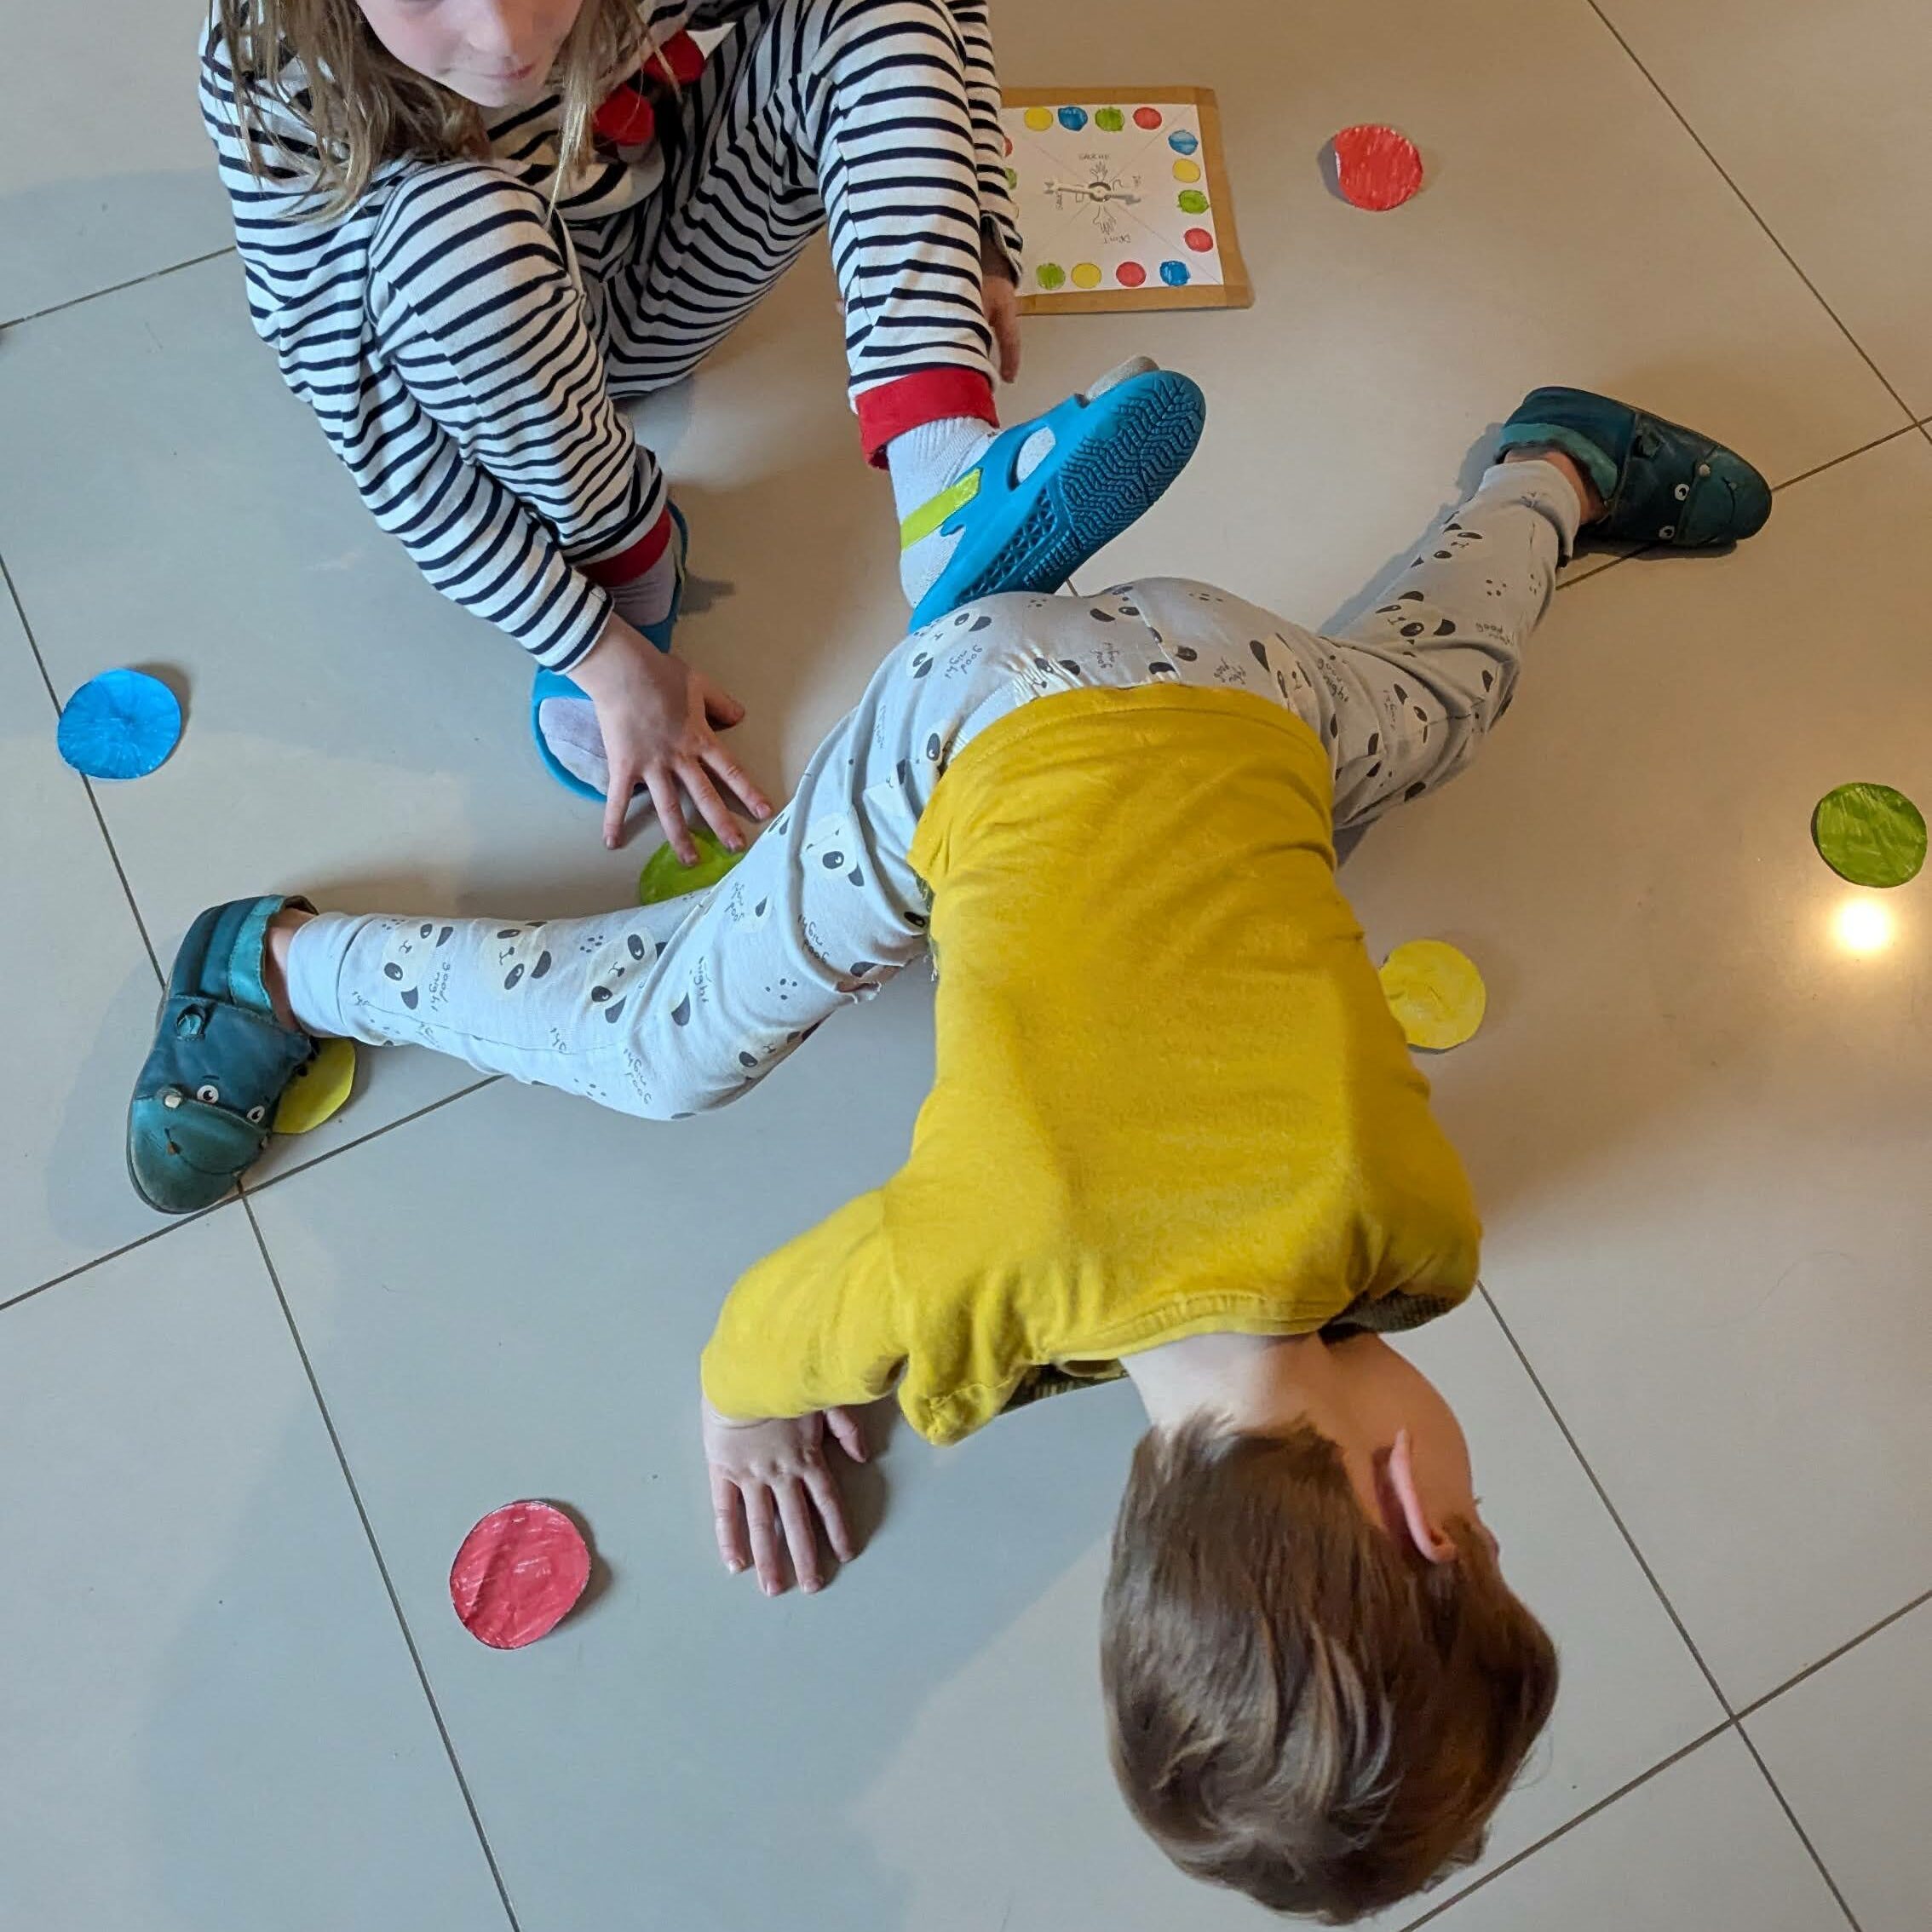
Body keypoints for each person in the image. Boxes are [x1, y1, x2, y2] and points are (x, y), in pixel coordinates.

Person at [125, 385, 1769, 1918]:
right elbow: (762, 1336)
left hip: (1229, 676)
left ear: (1420, 1502)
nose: (1474, 1500)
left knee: (1433, 708)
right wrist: (749, 1419)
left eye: (1478, 1535)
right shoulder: (978, 1289)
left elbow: (1286, 1241)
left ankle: (1541, 473)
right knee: (654, 1040)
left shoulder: (1420, 1232)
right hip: (971, 727)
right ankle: (266, 961)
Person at [203, 0, 1203, 851]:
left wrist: (976, 225)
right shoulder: (275, 68)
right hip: (477, 322)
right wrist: (596, 647)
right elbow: (374, 426)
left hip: (663, 247)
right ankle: (631, 548)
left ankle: (944, 471)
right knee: (462, 254)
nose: (503, 37)